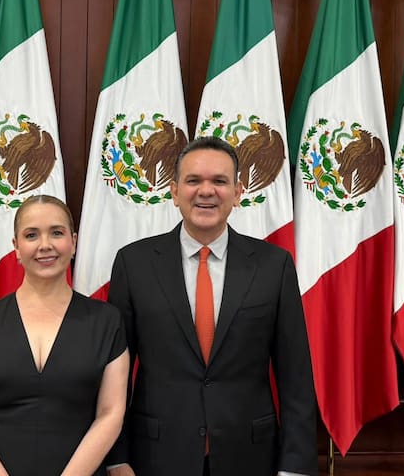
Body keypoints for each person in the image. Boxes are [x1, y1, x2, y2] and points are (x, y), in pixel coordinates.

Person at [105, 137, 317, 476]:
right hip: (156, 456)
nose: (206, 191)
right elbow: (115, 373)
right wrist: (116, 457)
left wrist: (296, 467)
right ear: (175, 191)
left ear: (238, 192)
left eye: (219, 181)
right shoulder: (134, 264)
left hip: (249, 456)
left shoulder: (273, 266)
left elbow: (296, 376)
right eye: (193, 181)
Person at [0, 195, 129, 476]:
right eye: (31, 235)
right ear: (16, 247)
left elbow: (110, 414)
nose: (45, 245)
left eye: (56, 233)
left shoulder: (106, 321)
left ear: (73, 242)